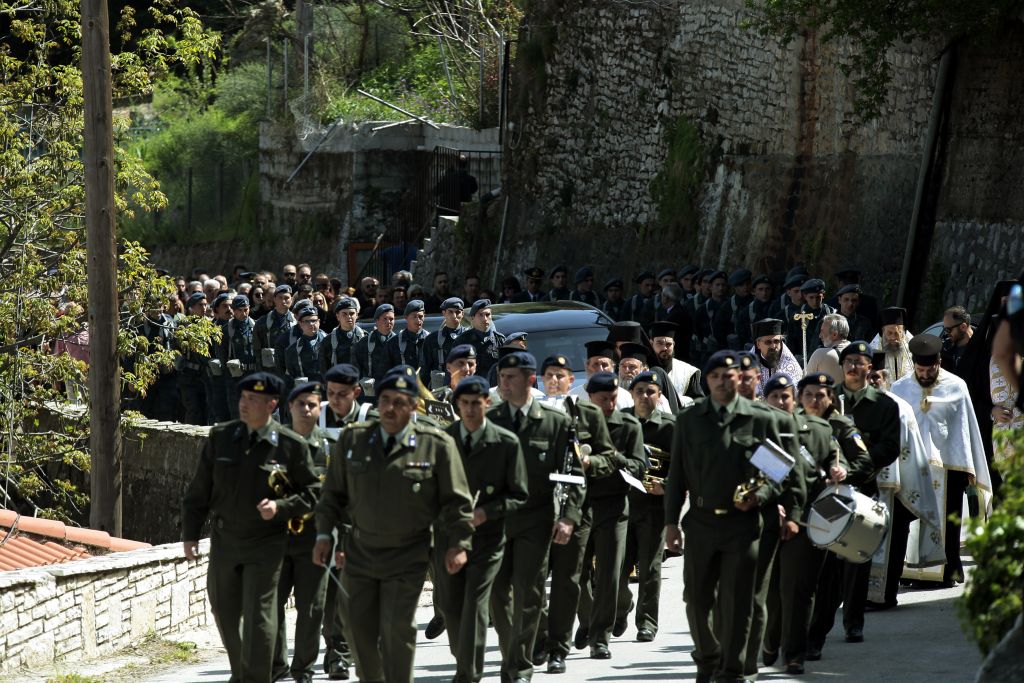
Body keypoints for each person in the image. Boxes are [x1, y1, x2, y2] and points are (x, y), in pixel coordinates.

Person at [312, 369, 474, 683]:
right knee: (357, 628)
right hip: (359, 551)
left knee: (396, 628)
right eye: (385, 400)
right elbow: (332, 495)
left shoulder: (435, 444)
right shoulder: (354, 439)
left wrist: (458, 544)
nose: (389, 408)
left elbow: (457, 502)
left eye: (399, 402)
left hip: (408, 552)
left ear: (414, 406)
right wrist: (323, 535)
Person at [182, 373, 318, 683]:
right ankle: (243, 672)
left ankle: (256, 677)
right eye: (243, 398)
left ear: (272, 404)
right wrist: (189, 534)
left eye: (253, 400)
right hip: (225, 538)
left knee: (259, 615)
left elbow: (313, 494)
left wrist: (280, 508)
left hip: (266, 542)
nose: (244, 404)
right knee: (224, 610)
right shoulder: (221, 437)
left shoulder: (290, 445)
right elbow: (199, 490)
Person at [663, 350, 787, 683]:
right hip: (701, 522)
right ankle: (707, 658)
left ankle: (733, 671)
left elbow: (777, 471)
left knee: (738, 602)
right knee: (697, 600)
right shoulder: (690, 420)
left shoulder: (761, 419)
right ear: (706, 380)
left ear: (739, 379)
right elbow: (676, 475)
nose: (721, 381)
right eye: (714, 376)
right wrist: (671, 522)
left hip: (742, 525)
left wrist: (758, 496)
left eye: (728, 375)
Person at [486, 352, 580, 683]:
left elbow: (572, 476)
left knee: (529, 593)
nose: (503, 383)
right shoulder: (490, 419)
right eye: (501, 376)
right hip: (496, 522)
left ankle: (518, 666)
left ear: (530, 381)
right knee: (498, 594)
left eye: (511, 377)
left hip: (536, 520)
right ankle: (511, 651)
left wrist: (568, 517)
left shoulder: (556, 423)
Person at [435, 376, 529, 683]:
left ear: (487, 404)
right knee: (450, 607)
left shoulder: (506, 443)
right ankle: (464, 658)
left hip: (488, 540)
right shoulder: (444, 440)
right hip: (450, 537)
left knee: (479, 603)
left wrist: (486, 512)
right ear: (457, 406)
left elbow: (519, 494)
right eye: (465, 403)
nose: (472, 409)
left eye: (477, 403)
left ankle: (470, 674)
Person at [761, 372, 846, 675]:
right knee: (771, 588)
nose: (782, 402)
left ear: (793, 399)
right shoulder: (758, 429)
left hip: (809, 519)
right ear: (765, 400)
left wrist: (839, 470)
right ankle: (771, 638)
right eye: (775, 397)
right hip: (768, 517)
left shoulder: (819, 429)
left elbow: (835, 459)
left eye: (786, 396)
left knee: (800, 589)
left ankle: (794, 653)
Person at [890, 334, 993, 586]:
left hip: (949, 467)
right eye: (920, 369)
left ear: (939, 362)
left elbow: (965, 427)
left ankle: (947, 572)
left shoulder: (956, 386)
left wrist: (969, 465)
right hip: (912, 466)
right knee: (912, 519)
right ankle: (912, 571)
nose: (925, 374)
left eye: (930, 369)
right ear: (914, 364)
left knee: (948, 520)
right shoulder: (899, 388)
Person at [575, 373, 646, 659]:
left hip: (614, 507)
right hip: (579, 507)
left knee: (608, 575)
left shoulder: (628, 425)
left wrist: (616, 458)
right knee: (576, 574)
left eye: (613, 398)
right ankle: (590, 618)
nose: (608, 404)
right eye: (602, 399)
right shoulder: (574, 425)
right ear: (590, 397)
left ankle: (599, 638)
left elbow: (640, 466)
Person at [271, 382, 334, 683]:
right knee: (272, 604)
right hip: (279, 538)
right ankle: (276, 664)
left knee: (312, 609)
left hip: (314, 539)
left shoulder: (329, 447)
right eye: (301, 404)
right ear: (289, 408)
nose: (307, 410)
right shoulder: (273, 444)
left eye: (313, 404)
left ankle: (304, 668)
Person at [615, 370, 676, 642]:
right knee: (617, 567)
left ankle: (647, 622)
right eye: (639, 391)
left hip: (653, 507)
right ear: (631, 394)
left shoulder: (671, 427)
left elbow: (683, 466)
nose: (644, 396)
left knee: (649, 568)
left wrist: (666, 486)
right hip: (622, 506)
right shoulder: (620, 421)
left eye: (650, 391)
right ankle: (621, 605)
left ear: (659, 395)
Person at [176, 292, 211, 425]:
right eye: (200, 305)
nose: (204, 308)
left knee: (206, 408)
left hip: (205, 374)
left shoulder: (209, 325)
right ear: (191, 307)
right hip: (188, 375)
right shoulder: (184, 325)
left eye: (205, 305)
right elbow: (177, 348)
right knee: (193, 409)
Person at [223, 295, 258, 418]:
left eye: (246, 309)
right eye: (239, 310)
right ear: (233, 310)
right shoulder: (227, 330)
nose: (243, 313)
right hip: (235, 376)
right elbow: (222, 356)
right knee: (237, 411)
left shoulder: (256, 327)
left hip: (253, 373)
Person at [649, 321, 703, 400]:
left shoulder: (687, 371)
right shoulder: (641, 368)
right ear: (651, 344)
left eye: (668, 344)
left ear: (673, 345)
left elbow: (698, 402)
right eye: (659, 343)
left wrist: (679, 401)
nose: (664, 348)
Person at [420, 297, 466, 387]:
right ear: (444, 313)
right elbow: (425, 370)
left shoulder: (469, 337)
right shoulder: (432, 339)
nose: (454, 316)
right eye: (450, 312)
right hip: (439, 389)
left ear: (463, 314)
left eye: (458, 312)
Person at [751, 318, 803, 396]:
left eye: (776, 341)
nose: (773, 346)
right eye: (768, 342)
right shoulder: (750, 367)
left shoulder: (791, 366)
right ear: (758, 344)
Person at [457, 299, 506, 379]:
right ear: (472, 318)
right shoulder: (462, 341)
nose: (485, 319)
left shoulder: (500, 340)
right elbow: (454, 370)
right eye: (481, 315)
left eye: (487, 315)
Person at [352, 303, 397, 386]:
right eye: (385, 319)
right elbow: (356, 369)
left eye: (391, 319)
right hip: (370, 392)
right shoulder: (365, 343)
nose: (388, 322)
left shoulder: (398, 342)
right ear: (377, 321)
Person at [319, 297, 365, 374]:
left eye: (352, 313)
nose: (349, 317)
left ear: (357, 315)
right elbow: (323, 369)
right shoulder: (328, 341)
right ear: (338, 316)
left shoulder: (365, 337)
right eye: (344, 314)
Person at [285, 305, 327, 386]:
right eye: (307, 321)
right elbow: (289, 378)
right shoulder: (292, 350)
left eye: (314, 320)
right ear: (300, 324)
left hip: (328, 392)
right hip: (306, 392)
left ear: (319, 322)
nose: (311, 324)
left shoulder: (330, 343)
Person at [871, 306, 914, 382]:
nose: (893, 337)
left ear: (903, 332)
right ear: (883, 332)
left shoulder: (913, 346)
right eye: (889, 333)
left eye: (898, 333)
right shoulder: (873, 348)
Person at [804, 313, 850, 382]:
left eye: (822, 331)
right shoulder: (857, 353)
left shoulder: (820, 354)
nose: (820, 336)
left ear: (834, 334)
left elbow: (805, 383)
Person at [734, 274, 776, 348]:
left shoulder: (777, 307)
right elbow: (742, 335)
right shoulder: (747, 311)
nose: (764, 293)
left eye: (767, 289)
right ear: (754, 291)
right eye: (760, 289)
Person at [387, 300, 428, 369]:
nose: (418, 320)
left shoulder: (430, 339)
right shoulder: (394, 342)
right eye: (414, 316)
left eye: (421, 316)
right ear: (406, 317)